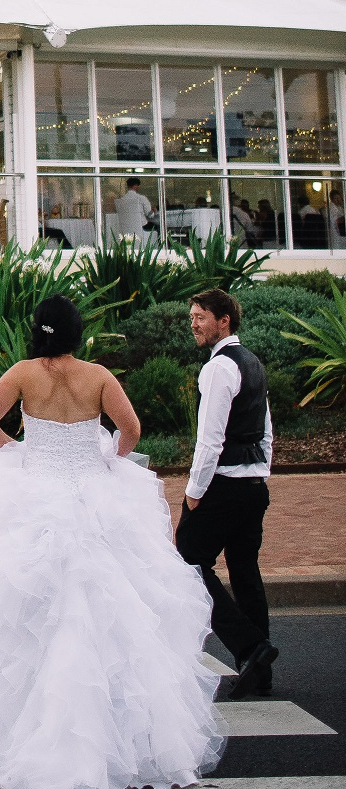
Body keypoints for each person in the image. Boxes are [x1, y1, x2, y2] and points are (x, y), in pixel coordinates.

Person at [0, 294, 224, 789]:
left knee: (27, 613)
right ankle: (111, 729)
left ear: (38, 331)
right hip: (94, 493)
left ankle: (27, 726)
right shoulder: (98, 376)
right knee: (110, 613)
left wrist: (19, 451)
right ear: (78, 333)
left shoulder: (22, 374)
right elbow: (132, 429)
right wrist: (108, 460)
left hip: (34, 490)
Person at [177, 289, 277, 700]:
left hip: (222, 485)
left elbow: (210, 440)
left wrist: (194, 491)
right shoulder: (252, 362)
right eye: (192, 316)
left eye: (200, 316)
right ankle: (259, 669)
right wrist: (262, 472)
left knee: (187, 560)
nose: (193, 323)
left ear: (224, 321)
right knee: (244, 569)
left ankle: (250, 647)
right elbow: (267, 430)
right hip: (253, 485)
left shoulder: (219, 367)